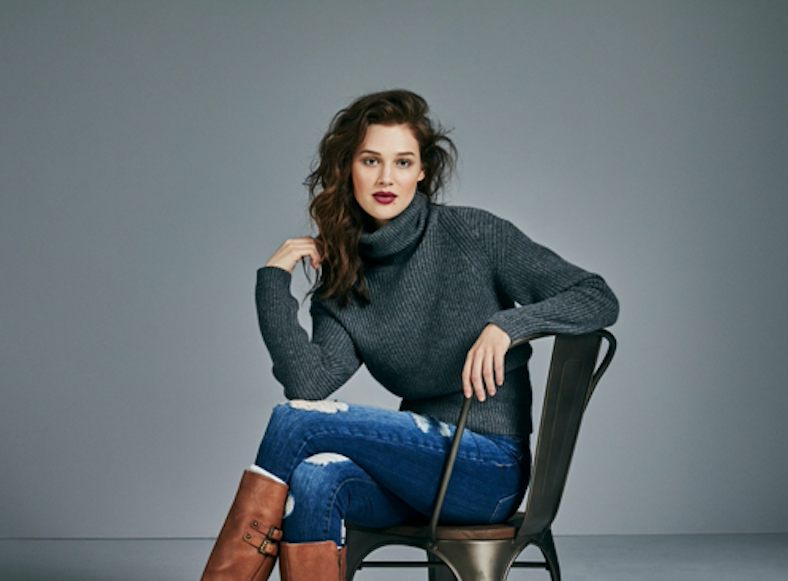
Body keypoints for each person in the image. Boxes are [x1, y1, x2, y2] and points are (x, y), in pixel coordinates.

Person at [199, 89, 619, 581]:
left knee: (295, 423)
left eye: (402, 162)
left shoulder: (475, 235)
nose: (386, 178)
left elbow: (596, 296)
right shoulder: (345, 281)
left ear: (421, 171)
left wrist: (507, 326)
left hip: (487, 471)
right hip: (417, 475)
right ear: (346, 168)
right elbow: (307, 385)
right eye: (370, 160)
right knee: (313, 480)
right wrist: (273, 281)